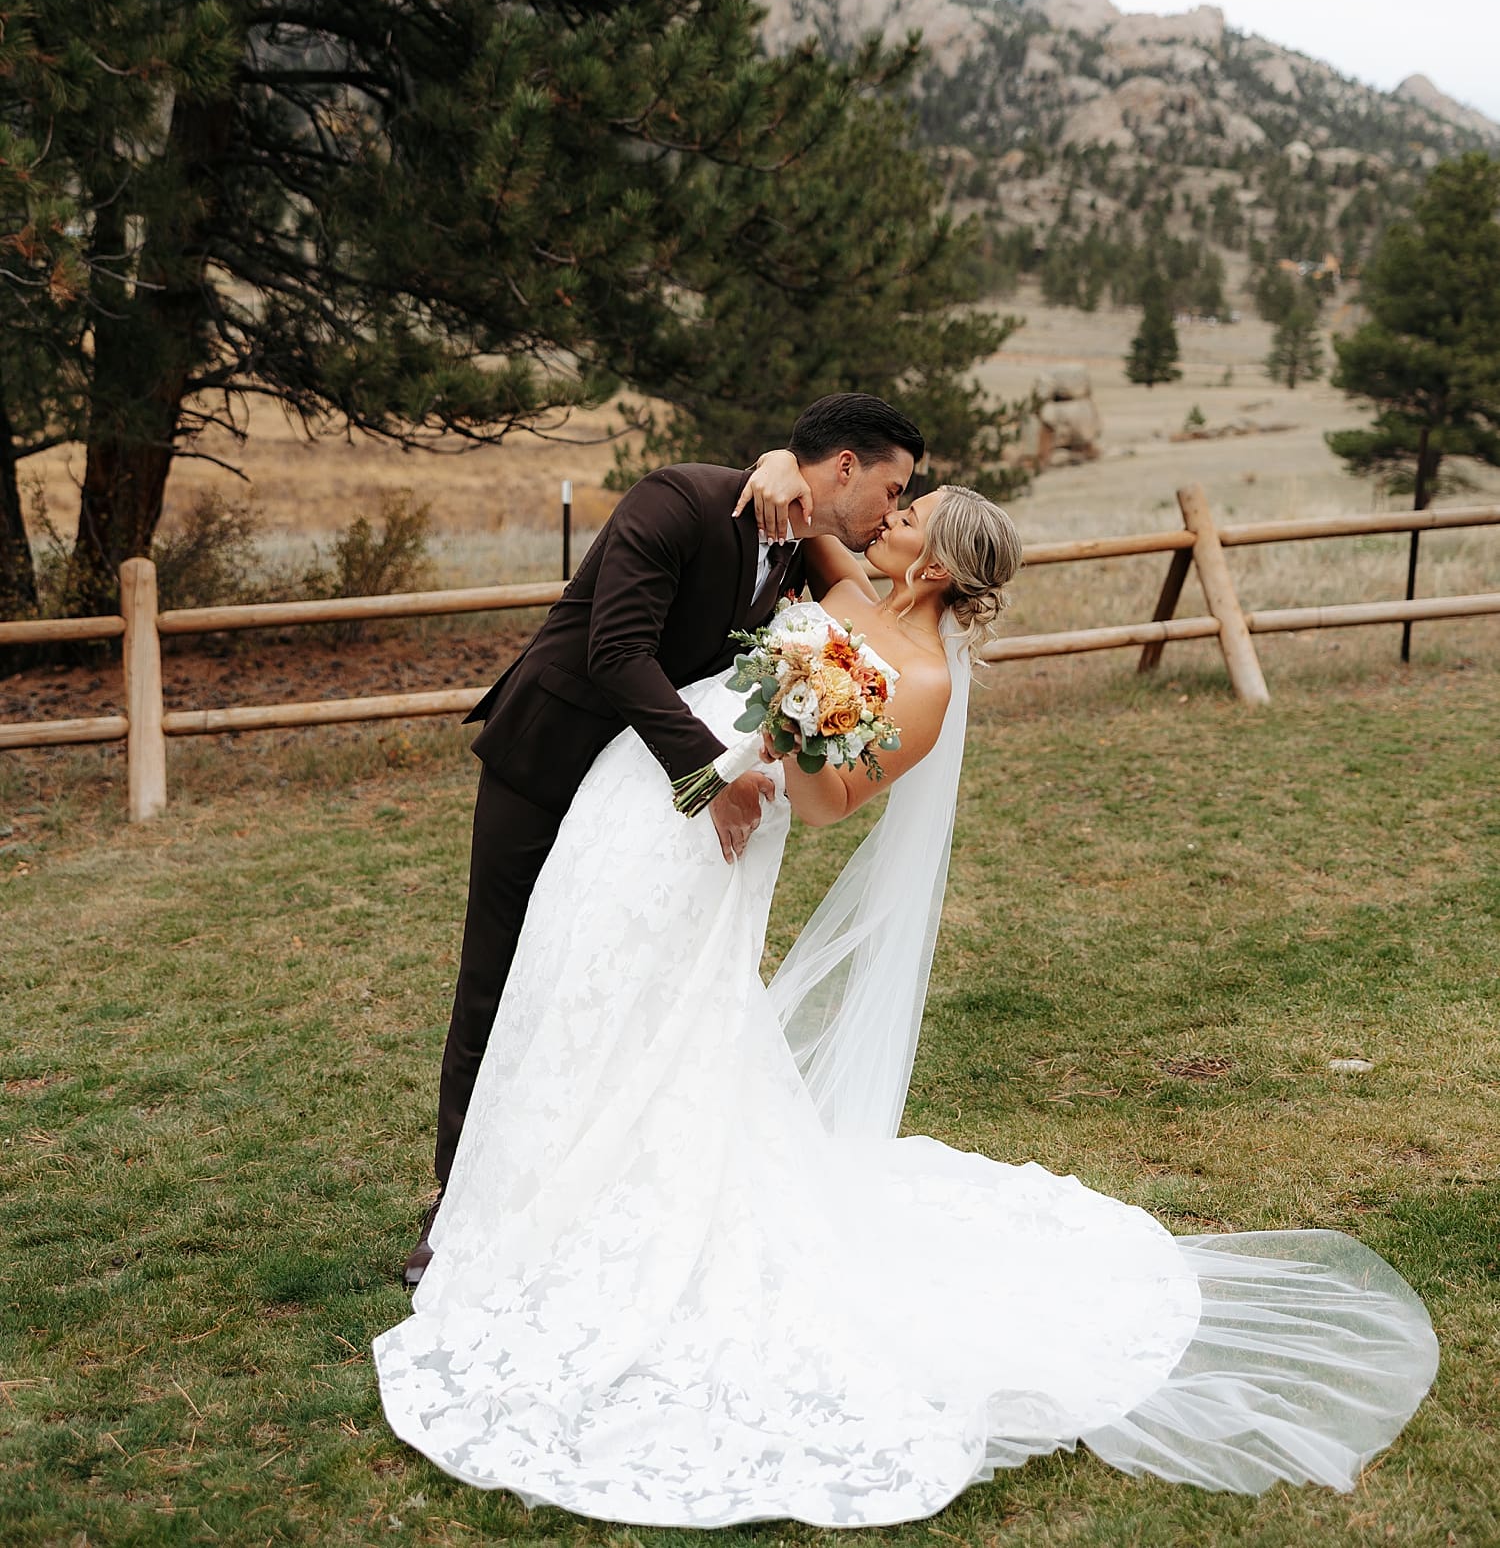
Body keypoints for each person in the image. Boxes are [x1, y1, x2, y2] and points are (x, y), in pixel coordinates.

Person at [374, 467, 1437, 1524]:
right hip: (651, 789)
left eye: (910, 516)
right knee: (581, 988)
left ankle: (598, 1204)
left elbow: (834, 802)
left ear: (932, 564)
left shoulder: (922, 679)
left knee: (665, 1015)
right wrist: (778, 470)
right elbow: (797, 507)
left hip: (726, 829)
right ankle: (529, 1180)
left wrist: (803, 706)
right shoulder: (854, 570)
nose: (889, 516)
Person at [404, 394, 926, 1287]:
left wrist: (776, 463)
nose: (892, 507)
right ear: (845, 467)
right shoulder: (678, 500)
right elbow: (617, 653)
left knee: (593, 977)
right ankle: (458, 1207)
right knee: (498, 978)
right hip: (551, 758)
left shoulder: (799, 539)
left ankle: (572, 1177)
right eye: (893, 487)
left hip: (632, 791)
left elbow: (853, 581)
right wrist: (709, 779)